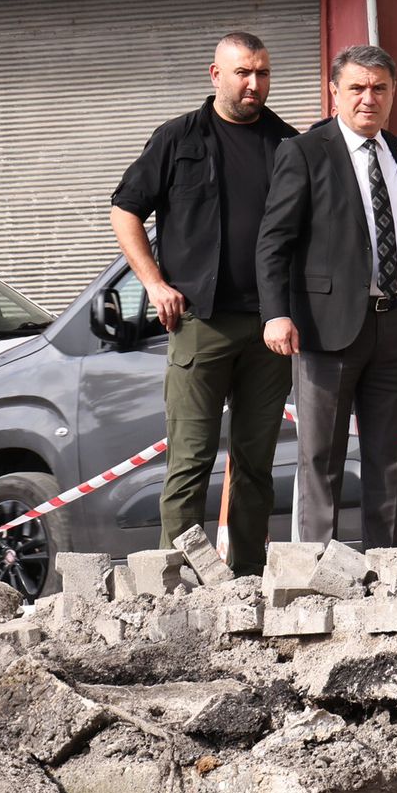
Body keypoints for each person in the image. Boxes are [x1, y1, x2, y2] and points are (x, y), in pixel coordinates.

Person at [109, 32, 296, 576]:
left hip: (268, 326)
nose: (254, 84)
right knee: (189, 460)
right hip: (200, 323)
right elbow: (125, 212)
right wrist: (154, 283)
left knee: (257, 464)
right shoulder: (177, 138)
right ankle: (175, 583)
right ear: (215, 75)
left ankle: (246, 580)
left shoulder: (287, 145)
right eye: (243, 73)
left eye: (262, 73)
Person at [256, 44, 397, 549]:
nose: (368, 98)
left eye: (379, 88)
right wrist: (276, 315)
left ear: (394, 92)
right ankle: (317, 573)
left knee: (390, 456)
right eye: (356, 88)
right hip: (325, 327)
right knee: (321, 459)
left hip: (393, 324)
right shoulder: (306, 152)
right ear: (335, 92)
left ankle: (393, 568)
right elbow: (274, 241)